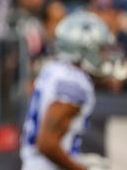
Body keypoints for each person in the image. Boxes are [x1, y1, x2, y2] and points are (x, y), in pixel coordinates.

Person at [20, 10, 119, 170]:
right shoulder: (74, 83)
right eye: (100, 48)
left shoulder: (54, 69)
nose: (103, 55)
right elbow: (46, 143)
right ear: (85, 48)